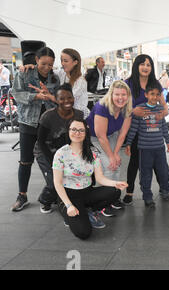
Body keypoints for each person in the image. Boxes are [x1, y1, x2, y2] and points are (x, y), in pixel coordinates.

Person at [53, 119, 127, 239]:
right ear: (68, 131)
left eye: (81, 130)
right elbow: (57, 182)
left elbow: (100, 178)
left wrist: (115, 183)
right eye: (74, 129)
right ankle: (68, 211)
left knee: (115, 191)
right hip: (69, 196)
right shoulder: (61, 153)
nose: (77, 133)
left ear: (85, 133)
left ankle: (88, 211)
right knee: (83, 233)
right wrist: (69, 205)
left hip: (87, 192)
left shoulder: (92, 152)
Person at [10, 47, 60, 212]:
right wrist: (35, 96)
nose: (47, 67)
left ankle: (52, 194)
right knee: (25, 161)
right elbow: (16, 94)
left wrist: (49, 97)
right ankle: (22, 196)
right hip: (28, 124)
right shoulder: (24, 74)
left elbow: (57, 103)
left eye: (50, 64)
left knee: (52, 161)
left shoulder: (54, 79)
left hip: (48, 126)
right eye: (43, 63)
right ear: (36, 60)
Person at [123, 54, 169, 205]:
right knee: (135, 161)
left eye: (149, 65)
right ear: (136, 66)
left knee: (158, 161)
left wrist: (162, 113)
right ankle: (129, 192)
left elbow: (164, 107)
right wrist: (132, 111)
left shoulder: (155, 83)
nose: (145, 67)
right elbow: (120, 105)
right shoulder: (127, 83)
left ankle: (164, 188)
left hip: (152, 130)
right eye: (142, 64)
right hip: (135, 128)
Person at [35, 83, 84, 214]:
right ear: (56, 100)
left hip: (66, 152)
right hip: (45, 152)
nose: (66, 101)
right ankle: (45, 200)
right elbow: (40, 141)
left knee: (72, 178)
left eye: (69, 97)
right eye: (62, 98)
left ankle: (63, 198)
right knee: (54, 182)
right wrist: (53, 161)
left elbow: (82, 136)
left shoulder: (79, 114)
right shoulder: (48, 116)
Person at [86, 80, 133, 215]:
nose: (120, 98)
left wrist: (116, 153)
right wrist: (111, 156)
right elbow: (101, 137)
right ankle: (102, 203)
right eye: (117, 94)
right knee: (107, 164)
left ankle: (113, 197)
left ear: (128, 96)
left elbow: (123, 134)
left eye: (123, 95)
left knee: (116, 164)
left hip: (112, 135)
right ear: (111, 94)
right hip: (94, 138)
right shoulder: (102, 107)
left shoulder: (127, 108)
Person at [55, 48, 91, 119]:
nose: (62, 63)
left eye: (65, 61)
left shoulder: (80, 81)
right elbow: (46, 70)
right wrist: (32, 66)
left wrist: (49, 96)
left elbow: (67, 100)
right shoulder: (61, 73)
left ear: (75, 62)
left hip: (80, 118)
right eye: (61, 60)